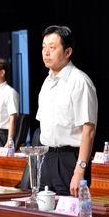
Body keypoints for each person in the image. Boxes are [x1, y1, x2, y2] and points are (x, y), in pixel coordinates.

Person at [36, 25, 98, 196]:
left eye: (52, 47)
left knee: (69, 209)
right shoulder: (47, 82)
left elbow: (89, 130)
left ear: (68, 52)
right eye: (44, 47)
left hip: (70, 160)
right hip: (47, 157)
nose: (46, 52)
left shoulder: (79, 81)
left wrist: (79, 170)